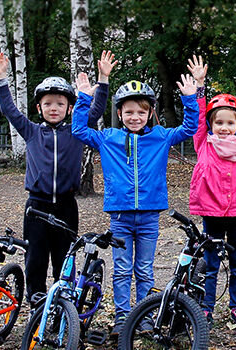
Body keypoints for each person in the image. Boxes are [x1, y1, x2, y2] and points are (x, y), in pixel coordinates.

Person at [70, 51, 198, 336]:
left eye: (141, 111)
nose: (135, 117)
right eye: (128, 112)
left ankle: (144, 317)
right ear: (119, 113)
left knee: (144, 271)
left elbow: (191, 127)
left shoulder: (161, 136)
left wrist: (190, 98)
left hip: (150, 217)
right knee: (122, 270)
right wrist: (83, 98)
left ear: (150, 112)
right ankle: (122, 319)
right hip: (120, 217)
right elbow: (78, 130)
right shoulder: (107, 138)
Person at [0, 53, 96, 322]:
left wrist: (102, 82)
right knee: (36, 258)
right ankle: (37, 304)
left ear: (69, 108)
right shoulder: (32, 131)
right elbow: (10, 111)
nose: (53, 108)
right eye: (47, 104)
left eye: (60, 104)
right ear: (39, 108)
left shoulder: (76, 132)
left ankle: (64, 306)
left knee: (64, 259)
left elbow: (95, 111)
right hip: (36, 205)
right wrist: (2, 78)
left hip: (66, 205)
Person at [185, 56, 236, 327]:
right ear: (211, 125)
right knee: (211, 264)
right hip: (212, 213)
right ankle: (206, 308)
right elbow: (197, 116)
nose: (225, 128)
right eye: (219, 123)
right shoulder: (203, 143)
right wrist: (199, 85)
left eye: (230, 123)